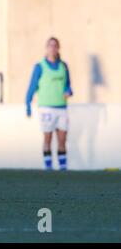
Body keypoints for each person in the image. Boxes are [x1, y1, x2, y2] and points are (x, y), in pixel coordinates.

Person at [26, 37, 73, 171]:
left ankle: (63, 167)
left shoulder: (64, 66)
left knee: (62, 139)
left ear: (58, 48)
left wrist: (68, 91)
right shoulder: (40, 66)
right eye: (50, 46)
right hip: (46, 108)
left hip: (62, 107)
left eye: (55, 46)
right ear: (46, 48)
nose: (53, 48)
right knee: (48, 137)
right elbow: (32, 86)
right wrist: (28, 104)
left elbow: (68, 85)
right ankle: (48, 167)